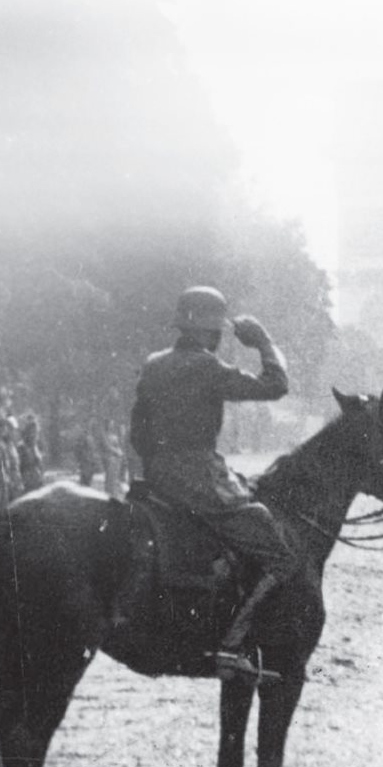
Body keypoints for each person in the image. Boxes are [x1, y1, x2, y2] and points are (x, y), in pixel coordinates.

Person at [128, 285, 293, 679]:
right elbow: (276, 385)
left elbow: (138, 429)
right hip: (199, 475)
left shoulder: (154, 363)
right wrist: (264, 341)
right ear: (210, 331)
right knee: (278, 553)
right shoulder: (206, 366)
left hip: (156, 473)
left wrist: (157, 463)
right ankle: (231, 645)